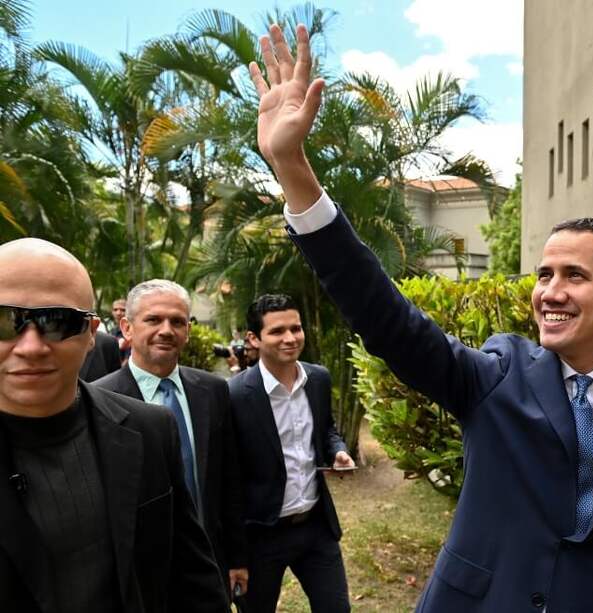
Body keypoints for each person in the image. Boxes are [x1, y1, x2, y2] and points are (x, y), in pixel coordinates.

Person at [246, 24, 593, 612]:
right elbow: (387, 318)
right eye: (544, 274)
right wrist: (294, 167)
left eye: (574, 276)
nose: (550, 291)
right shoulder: (498, 375)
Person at [0, 239, 228, 613]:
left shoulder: (149, 430)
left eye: (56, 322)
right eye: (5, 321)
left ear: (92, 333)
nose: (31, 346)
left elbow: (192, 579)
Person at [94, 279, 248, 597]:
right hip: (137, 576)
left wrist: (236, 557)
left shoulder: (213, 390)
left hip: (208, 565)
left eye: (177, 321)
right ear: (127, 327)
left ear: (188, 331)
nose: (167, 330)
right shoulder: (99, 398)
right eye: (153, 320)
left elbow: (229, 479)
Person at [228, 294, 354, 613]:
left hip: (316, 527)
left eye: (296, 328)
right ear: (254, 339)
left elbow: (326, 429)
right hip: (261, 535)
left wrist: (337, 451)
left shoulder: (318, 378)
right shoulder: (234, 395)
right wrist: (235, 557)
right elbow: (227, 480)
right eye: (277, 331)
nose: (290, 338)